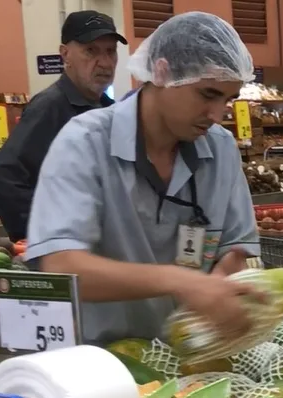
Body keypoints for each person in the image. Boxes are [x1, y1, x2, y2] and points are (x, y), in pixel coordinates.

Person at [24, 12, 263, 345]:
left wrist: (223, 287)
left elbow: (234, 250)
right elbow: (61, 265)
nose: (217, 115)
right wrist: (179, 281)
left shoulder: (220, 150)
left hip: (190, 360)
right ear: (163, 72)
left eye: (228, 100)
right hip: (101, 366)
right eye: (208, 95)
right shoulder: (85, 143)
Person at [0, 10, 126, 241]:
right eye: (91, 51)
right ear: (65, 54)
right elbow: (2, 177)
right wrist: (48, 233)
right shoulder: (50, 107)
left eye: (110, 51)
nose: (105, 62)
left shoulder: (109, 109)